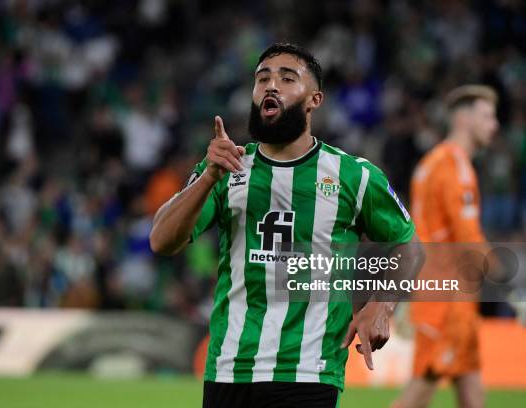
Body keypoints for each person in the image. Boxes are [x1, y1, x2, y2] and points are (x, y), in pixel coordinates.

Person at [150, 43, 423, 408]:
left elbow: (409, 246)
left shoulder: (353, 175)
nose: (270, 85)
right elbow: (162, 241)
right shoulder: (226, 167)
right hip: (230, 367)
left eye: (286, 77)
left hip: (310, 369)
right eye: (262, 78)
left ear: (314, 100)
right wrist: (207, 177)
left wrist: (383, 303)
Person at [394, 85, 499, 408]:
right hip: (447, 299)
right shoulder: (455, 166)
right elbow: (467, 236)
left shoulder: (431, 162)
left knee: (471, 390)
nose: (494, 124)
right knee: (420, 390)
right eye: (487, 115)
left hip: (448, 294)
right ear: (464, 119)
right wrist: (510, 281)